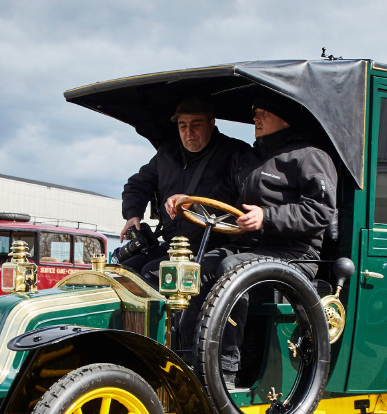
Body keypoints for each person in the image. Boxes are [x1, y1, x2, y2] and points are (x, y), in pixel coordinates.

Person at [166, 96, 337, 384]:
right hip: (252, 249)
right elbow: (220, 199)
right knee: (199, 266)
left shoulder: (309, 156)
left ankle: (225, 370)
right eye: (255, 112)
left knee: (233, 267)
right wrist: (186, 201)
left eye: (264, 113)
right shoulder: (249, 159)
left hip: (296, 255)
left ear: (284, 118)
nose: (255, 118)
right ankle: (186, 357)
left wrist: (267, 217)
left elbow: (321, 211)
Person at [118, 97, 249, 285]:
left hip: (214, 246)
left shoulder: (235, 153)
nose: (189, 133)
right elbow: (137, 184)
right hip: (173, 245)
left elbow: (235, 195)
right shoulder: (166, 153)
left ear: (211, 123)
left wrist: (193, 203)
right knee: (123, 273)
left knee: (153, 274)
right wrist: (133, 214)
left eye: (196, 125)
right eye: (182, 126)